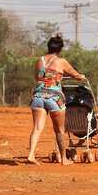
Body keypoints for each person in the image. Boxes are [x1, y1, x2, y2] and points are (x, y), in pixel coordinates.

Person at [27, 35, 85, 165]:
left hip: (38, 96)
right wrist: (80, 76)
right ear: (59, 50)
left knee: (37, 128)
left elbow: (37, 78)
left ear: (48, 47)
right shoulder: (61, 61)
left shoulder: (39, 60)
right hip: (55, 98)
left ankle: (31, 155)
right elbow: (75, 74)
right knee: (59, 130)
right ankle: (64, 159)